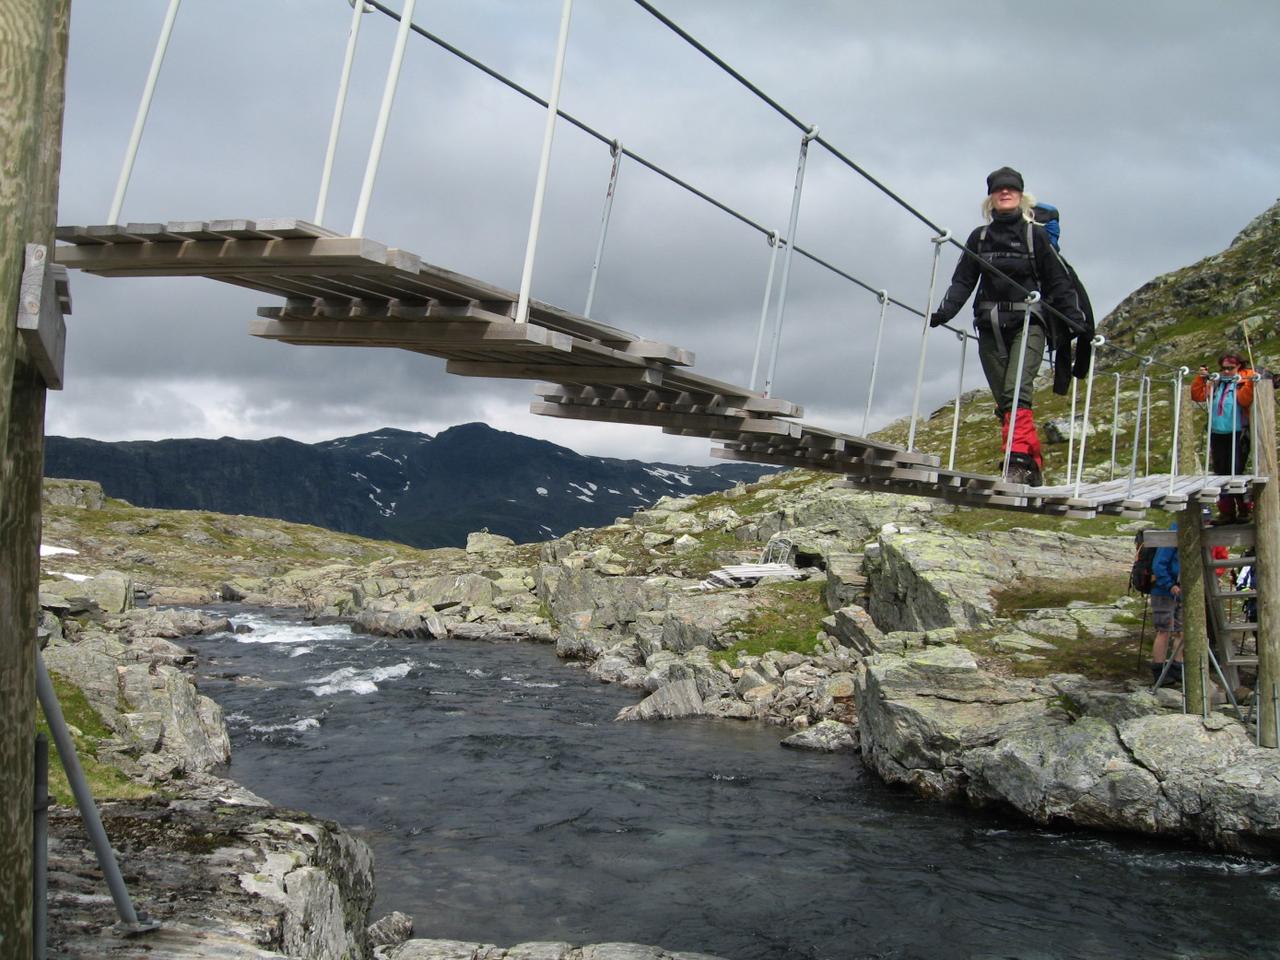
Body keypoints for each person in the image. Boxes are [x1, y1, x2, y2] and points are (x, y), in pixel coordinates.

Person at [929, 167, 1088, 486]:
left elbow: (1057, 281)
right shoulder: (980, 237)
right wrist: (943, 313)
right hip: (989, 326)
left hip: (1029, 323)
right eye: (999, 189)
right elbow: (963, 281)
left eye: (1011, 189)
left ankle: (1014, 464)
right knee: (1005, 400)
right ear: (991, 197)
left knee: (1017, 391)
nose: (1005, 193)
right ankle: (1034, 462)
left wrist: (1077, 322)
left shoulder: (1035, 236)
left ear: (1021, 195)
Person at [1191, 352, 1255, 522]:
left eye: (1230, 368)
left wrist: (1249, 383)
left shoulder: (1244, 381)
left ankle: (1244, 511)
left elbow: (1244, 400)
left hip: (1238, 432)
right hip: (1217, 433)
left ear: (1239, 367)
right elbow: (1197, 396)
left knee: (1236, 472)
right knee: (1220, 473)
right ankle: (1226, 512)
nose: (1226, 371)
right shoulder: (1216, 382)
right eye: (1224, 368)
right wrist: (1201, 379)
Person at [1149, 528, 1183, 686]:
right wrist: (1170, 585)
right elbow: (1158, 566)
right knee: (1164, 630)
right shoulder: (1170, 538)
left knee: (1181, 631)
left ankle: (1177, 667)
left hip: (1179, 591)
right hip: (1163, 591)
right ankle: (1159, 670)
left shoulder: (1184, 536)